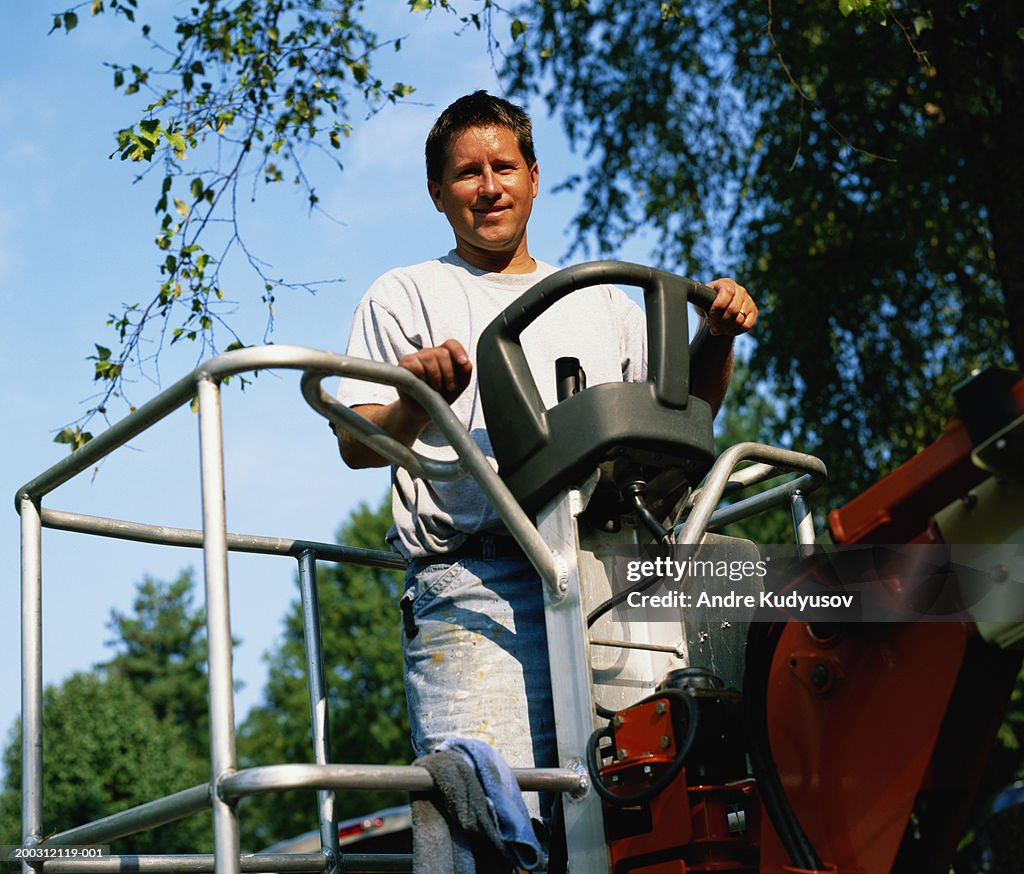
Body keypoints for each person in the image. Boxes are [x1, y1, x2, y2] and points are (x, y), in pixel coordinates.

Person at [335, 91, 757, 816]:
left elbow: (685, 416)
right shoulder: (407, 295)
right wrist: (415, 394)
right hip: (476, 580)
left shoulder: (605, 304)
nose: (489, 186)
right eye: (467, 173)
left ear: (534, 175)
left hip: (607, 578)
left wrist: (715, 335)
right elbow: (356, 443)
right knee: (493, 811)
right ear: (437, 193)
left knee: (642, 808)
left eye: (504, 166)